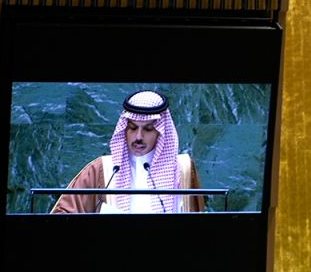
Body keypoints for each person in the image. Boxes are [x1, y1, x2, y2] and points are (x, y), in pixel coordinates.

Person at [51, 90, 205, 214]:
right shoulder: (102, 170)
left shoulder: (182, 169)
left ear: (160, 132)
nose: (138, 136)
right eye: (132, 128)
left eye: (148, 129)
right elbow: (64, 213)